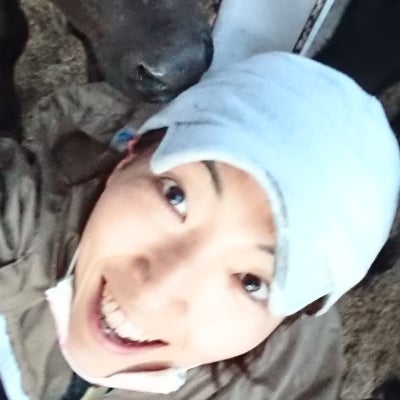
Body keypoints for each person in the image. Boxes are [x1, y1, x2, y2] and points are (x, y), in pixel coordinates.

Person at [0, 51, 399, 400]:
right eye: (176, 197)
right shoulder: (23, 214)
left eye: (251, 282)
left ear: (287, 318)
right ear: (129, 156)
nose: (153, 295)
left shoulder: (281, 385)